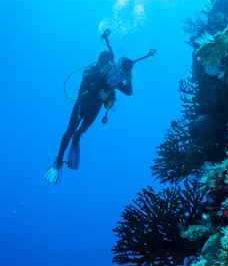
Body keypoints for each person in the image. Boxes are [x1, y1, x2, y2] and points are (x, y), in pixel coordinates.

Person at [45, 44, 156, 184]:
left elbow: (128, 92)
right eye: (104, 61)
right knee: (70, 130)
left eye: (109, 62)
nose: (107, 64)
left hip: (94, 109)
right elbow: (85, 80)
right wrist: (102, 71)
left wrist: (129, 78)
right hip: (81, 104)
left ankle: (77, 138)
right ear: (99, 61)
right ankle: (59, 160)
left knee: (81, 130)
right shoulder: (92, 69)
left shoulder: (114, 75)